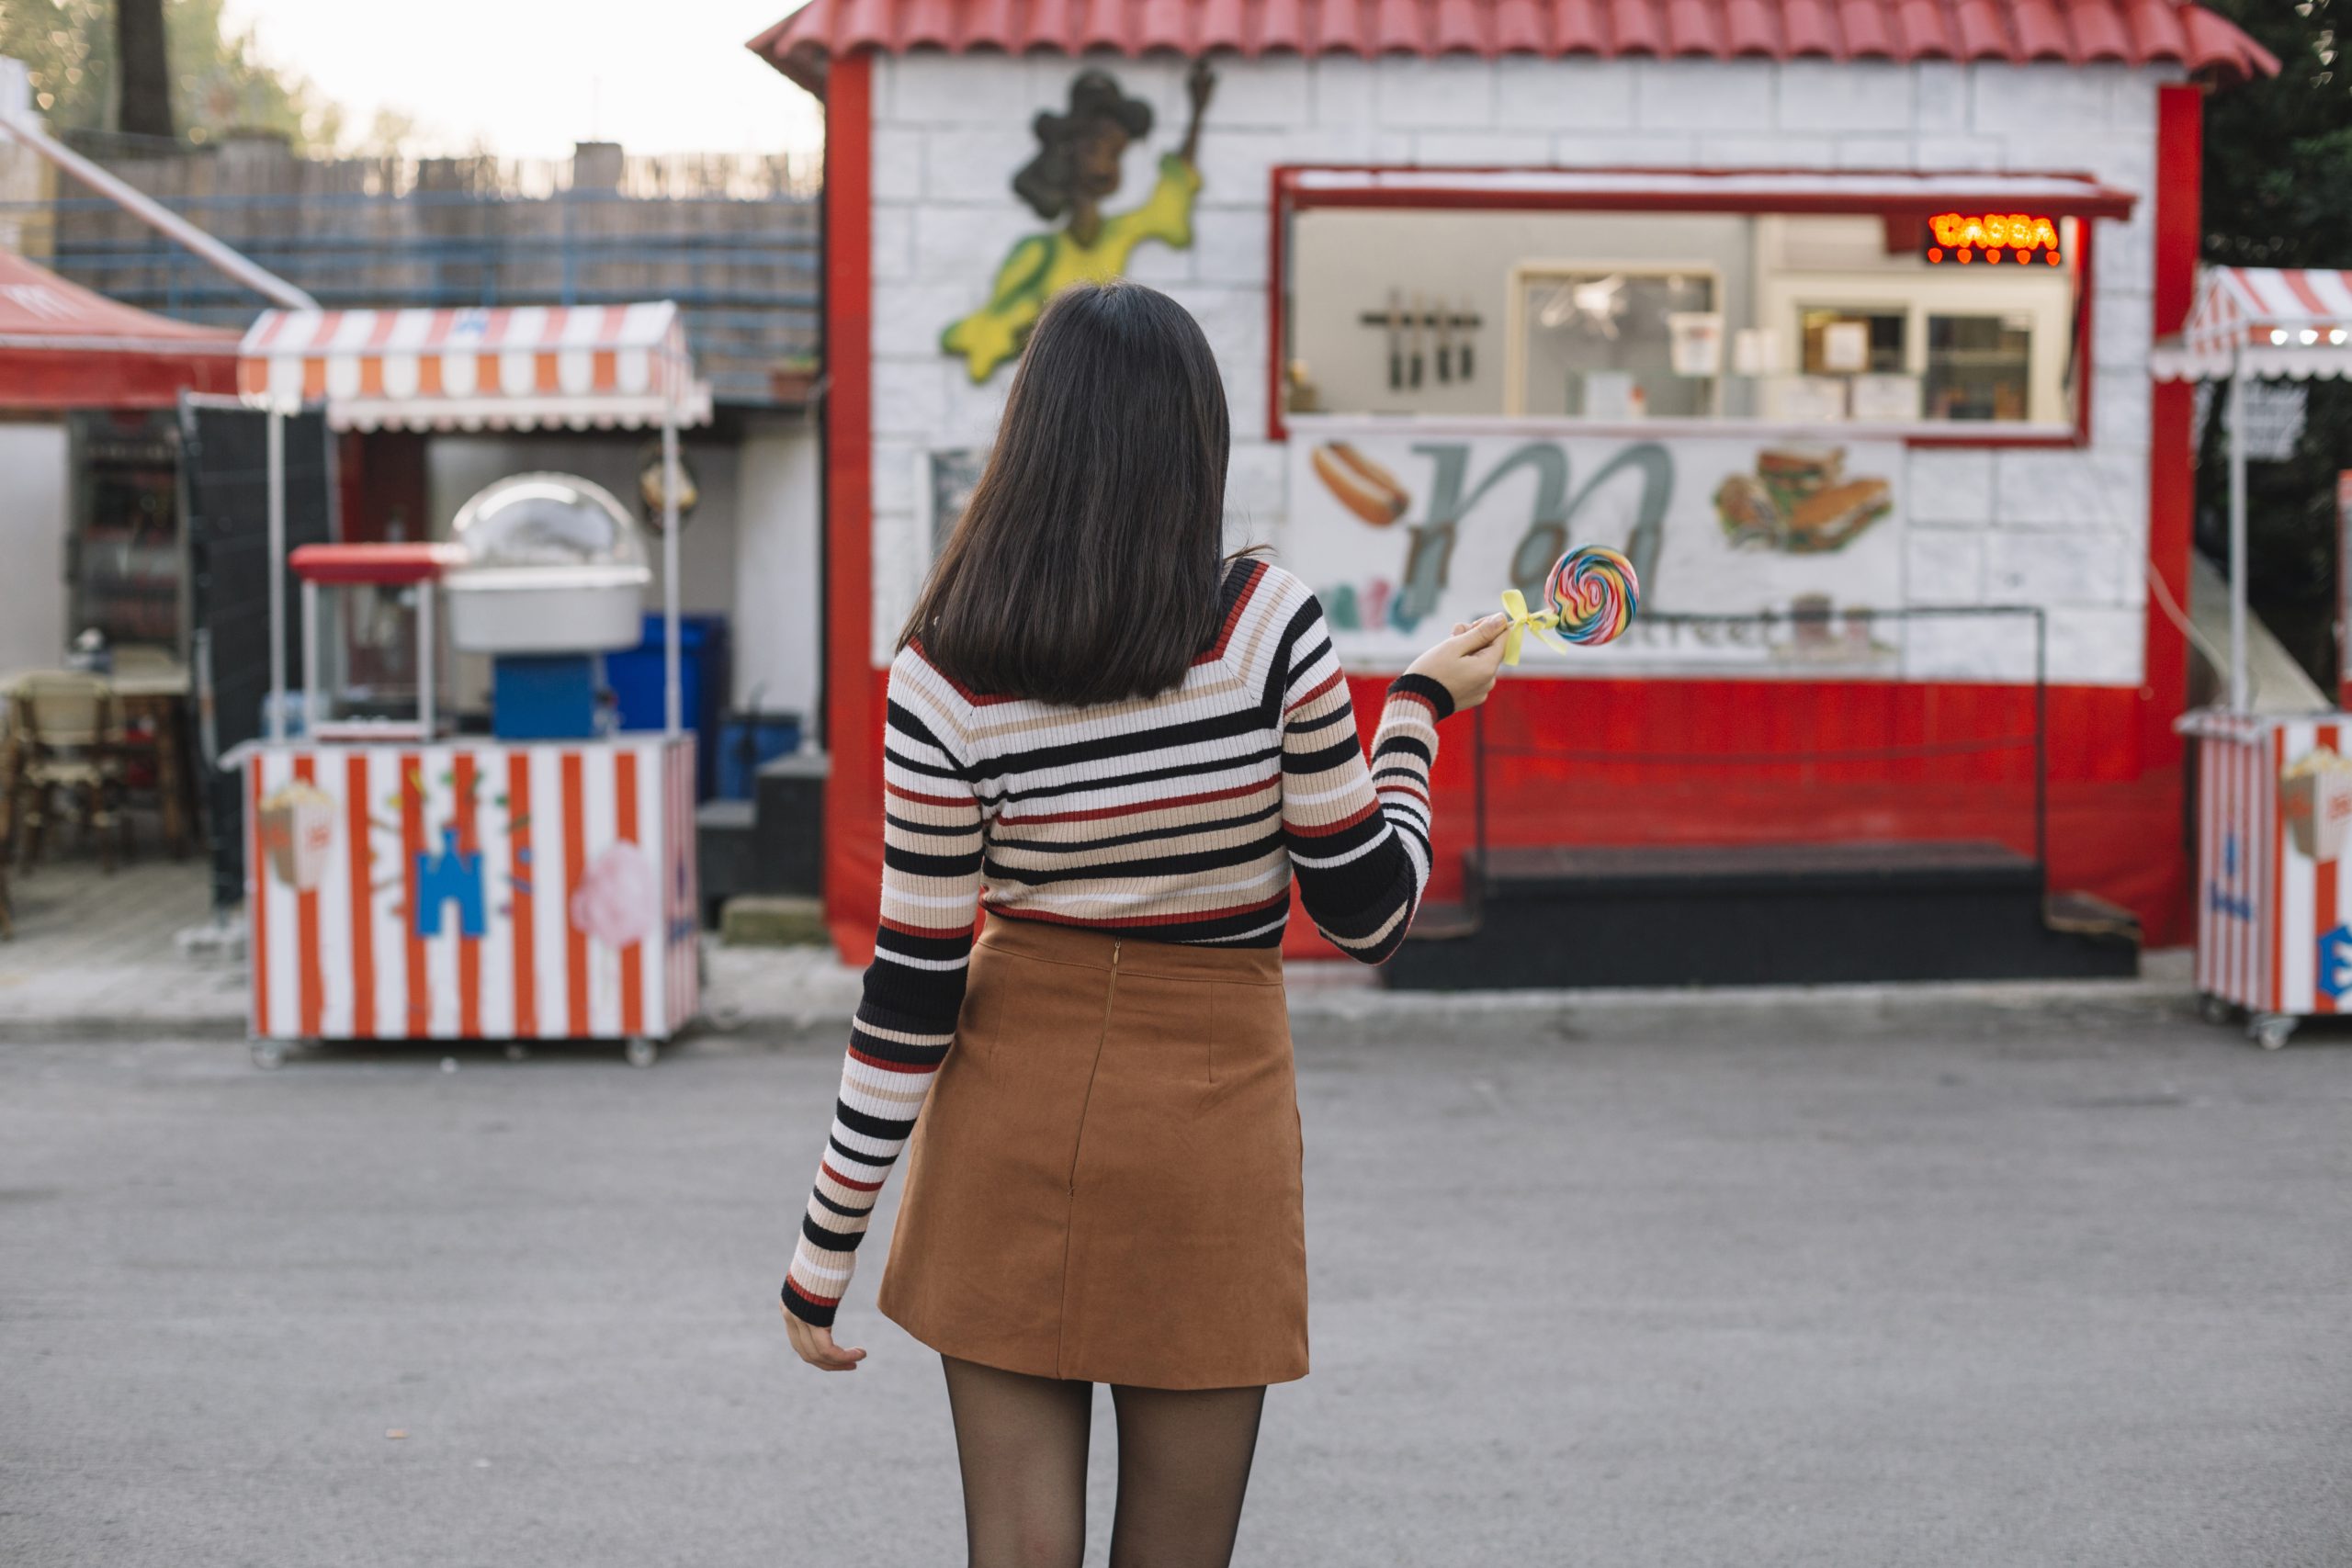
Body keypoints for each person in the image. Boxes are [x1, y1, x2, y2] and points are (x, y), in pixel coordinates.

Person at [782, 280, 1510, 1568]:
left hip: (1008, 1126)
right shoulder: (1261, 627)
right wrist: (1415, 714)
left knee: (1016, 1549)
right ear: (1196, 441)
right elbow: (1371, 914)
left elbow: (912, 986)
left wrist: (825, 1241)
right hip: (1207, 1131)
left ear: (1031, 436)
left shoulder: (944, 667)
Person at [942, 63, 1214, 382]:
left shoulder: (1121, 233)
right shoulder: (1036, 253)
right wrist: (1024, 331)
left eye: (1115, 154)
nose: (1104, 164)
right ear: (1066, 156)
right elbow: (992, 324)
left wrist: (1196, 115)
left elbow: (1172, 194)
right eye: (1093, 150)